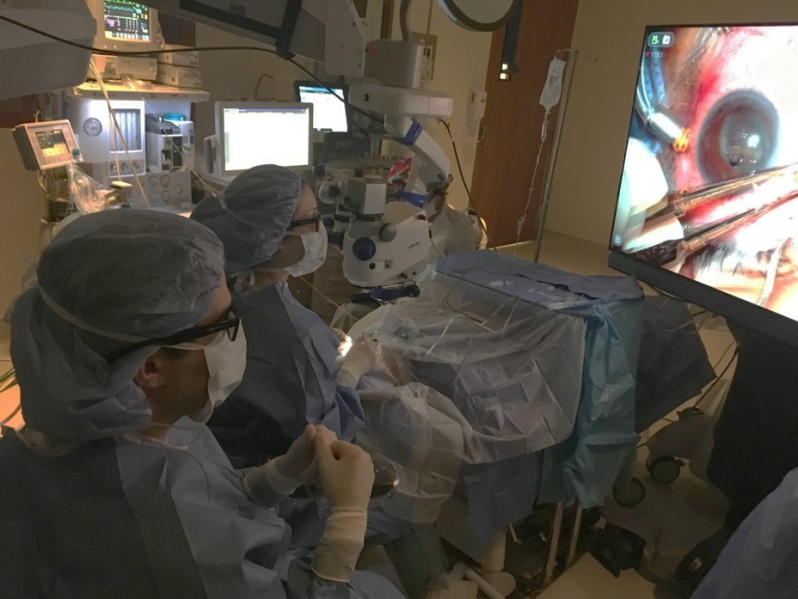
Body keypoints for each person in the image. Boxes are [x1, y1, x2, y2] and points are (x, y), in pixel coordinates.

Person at [0, 210, 403, 598]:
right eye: (226, 323)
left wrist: (274, 479)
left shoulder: (123, 433)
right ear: (151, 367)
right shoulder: (169, 519)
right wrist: (346, 524)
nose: (239, 333)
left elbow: (207, 499)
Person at [191, 165, 364, 468]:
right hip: (275, 475)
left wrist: (320, 344)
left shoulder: (221, 289)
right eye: (313, 219)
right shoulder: (294, 331)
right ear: (279, 237)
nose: (320, 229)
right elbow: (324, 440)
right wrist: (351, 373)